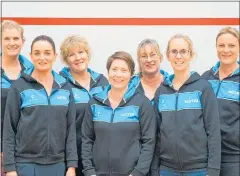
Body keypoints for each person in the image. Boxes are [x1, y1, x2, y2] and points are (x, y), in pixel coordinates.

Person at [3, 35, 77, 176]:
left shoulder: (65, 88)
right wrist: (10, 168)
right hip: (25, 165)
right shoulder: (19, 87)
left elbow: (71, 130)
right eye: (37, 53)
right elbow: (9, 130)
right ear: (31, 56)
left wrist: (72, 166)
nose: (42, 57)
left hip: (58, 165)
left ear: (55, 56)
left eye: (47, 53)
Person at [152, 34, 221, 176]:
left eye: (183, 51)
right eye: (174, 52)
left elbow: (213, 131)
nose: (178, 56)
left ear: (191, 55)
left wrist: (213, 170)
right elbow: (156, 135)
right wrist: (155, 169)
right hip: (167, 169)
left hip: (199, 169)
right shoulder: (161, 92)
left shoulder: (203, 88)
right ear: (168, 55)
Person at [81, 51, 156, 176]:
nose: (118, 74)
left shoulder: (142, 103)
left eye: (124, 70)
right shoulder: (94, 103)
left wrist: (137, 173)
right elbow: (87, 139)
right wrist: (89, 171)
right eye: (114, 69)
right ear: (108, 72)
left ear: (131, 74)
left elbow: (149, 142)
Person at [59, 35, 108, 176]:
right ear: (66, 60)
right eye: (71, 54)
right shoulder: (61, 84)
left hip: (100, 156)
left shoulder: (102, 82)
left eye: (81, 52)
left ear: (88, 54)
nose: (78, 58)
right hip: (72, 158)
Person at [202, 27, 239, 176]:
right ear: (216, 47)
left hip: (234, 158)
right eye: (221, 45)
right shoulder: (206, 78)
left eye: (231, 46)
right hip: (206, 156)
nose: (226, 50)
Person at [1, 20, 33, 175]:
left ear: (23, 41)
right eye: (7, 38)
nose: (12, 43)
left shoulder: (33, 71)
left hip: (25, 153)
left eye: (16, 38)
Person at [129, 39, 168, 105]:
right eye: (144, 56)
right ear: (139, 61)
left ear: (160, 57)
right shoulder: (131, 85)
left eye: (152, 55)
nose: (149, 60)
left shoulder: (171, 83)